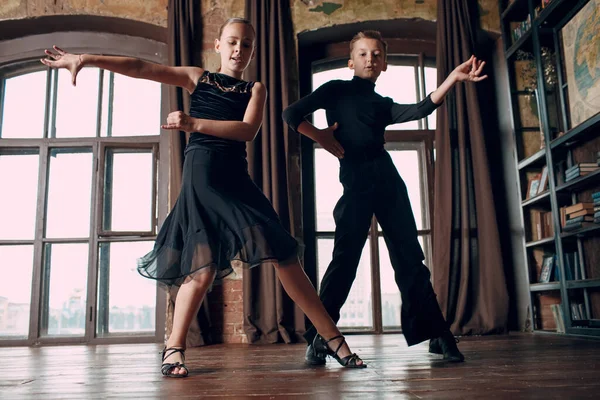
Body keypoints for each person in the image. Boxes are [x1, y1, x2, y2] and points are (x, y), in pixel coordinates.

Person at [41, 17, 365, 378]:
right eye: (231, 43)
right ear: (218, 46)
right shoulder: (198, 77)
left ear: (253, 51)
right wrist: (86, 59)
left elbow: (246, 131)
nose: (238, 50)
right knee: (203, 263)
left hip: (234, 174)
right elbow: (141, 66)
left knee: (285, 255)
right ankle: (174, 348)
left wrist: (192, 123)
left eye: (245, 45)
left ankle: (333, 338)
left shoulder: (255, 89)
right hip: (202, 171)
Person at [282, 30, 487, 365]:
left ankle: (440, 335)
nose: (370, 59)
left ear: (385, 64)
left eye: (376, 54)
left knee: (410, 260)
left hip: (388, 182)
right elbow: (291, 115)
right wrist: (319, 135)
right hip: (356, 182)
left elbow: (421, 108)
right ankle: (321, 337)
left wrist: (452, 78)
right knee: (345, 261)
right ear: (351, 61)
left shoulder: (381, 104)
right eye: (363, 54)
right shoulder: (335, 90)